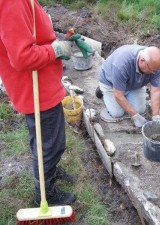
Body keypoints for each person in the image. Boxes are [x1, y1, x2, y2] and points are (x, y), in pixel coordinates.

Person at [0, 0, 76, 206]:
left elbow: (33, 33)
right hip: (36, 89)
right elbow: (21, 57)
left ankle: (48, 171)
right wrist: (54, 51)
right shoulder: (11, 3)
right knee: (52, 144)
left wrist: (56, 41)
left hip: (43, 83)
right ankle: (45, 191)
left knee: (44, 138)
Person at [98, 44, 160, 128]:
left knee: (140, 110)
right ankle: (103, 91)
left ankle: (126, 94)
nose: (153, 73)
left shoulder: (155, 66)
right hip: (110, 84)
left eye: (155, 71)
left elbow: (155, 91)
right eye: (151, 71)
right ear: (142, 60)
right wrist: (135, 117)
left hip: (133, 85)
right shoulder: (122, 64)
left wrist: (156, 117)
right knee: (117, 113)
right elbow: (118, 95)